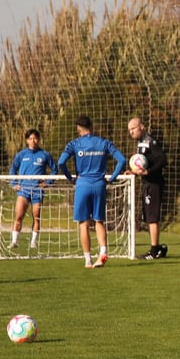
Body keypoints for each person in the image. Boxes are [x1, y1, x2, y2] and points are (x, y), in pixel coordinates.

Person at [58, 115, 127, 269]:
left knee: (83, 223)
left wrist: (70, 178)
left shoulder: (75, 143)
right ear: (92, 127)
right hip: (99, 184)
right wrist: (112, 178)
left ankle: (88, 260)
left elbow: (61, 162)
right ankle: (103, 252)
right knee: (99, 221)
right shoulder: (103, 142)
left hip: (82, 184)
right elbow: (122, 160)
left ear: (78, 129)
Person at [126, 117, 169, 260]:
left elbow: (162, 159)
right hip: (147, 183)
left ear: (142, 127)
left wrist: (148, 172)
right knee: (149, 216)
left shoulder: (151, 142)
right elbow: (145, 164)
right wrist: (134, 172)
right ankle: (158, 248)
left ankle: (154, 250)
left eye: (133, 128)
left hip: (154, 184)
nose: (131, 132)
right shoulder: (141, 143)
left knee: (152, 218)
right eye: (129, 130)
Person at [8, 129, 57, 250]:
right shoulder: (21, 154)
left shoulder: (44, 154)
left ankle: (33, 241)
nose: (33, 141)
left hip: (37, 190)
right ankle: (14, 241)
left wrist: (47, 183)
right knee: (19, 215)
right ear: (26, 140)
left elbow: (55, 170)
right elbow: (13, 169)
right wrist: (14, 183)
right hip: (23, 189)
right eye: (30, 139)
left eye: (35, 138)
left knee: (36, 216)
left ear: (39, 139)